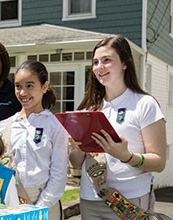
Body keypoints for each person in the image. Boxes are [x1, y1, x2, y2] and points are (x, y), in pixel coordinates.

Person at [68, 35, 167, 219]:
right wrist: (78, 148)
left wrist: (126, 156)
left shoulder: (145, 104)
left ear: (124, 63)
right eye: (96, 62)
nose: (99, 67)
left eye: (107, 60)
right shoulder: (89, 109)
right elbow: (76, 162)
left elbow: (159, 162)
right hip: (90, 198)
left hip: (128, 200)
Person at [0, 61, 68, 220]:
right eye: (18, 86)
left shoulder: (55, 126)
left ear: (45, 87)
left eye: (30, 86)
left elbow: (59, 174)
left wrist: (40, 208)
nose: (22, 92)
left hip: (45, 203)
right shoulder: (4, 126)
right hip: (11, 203)